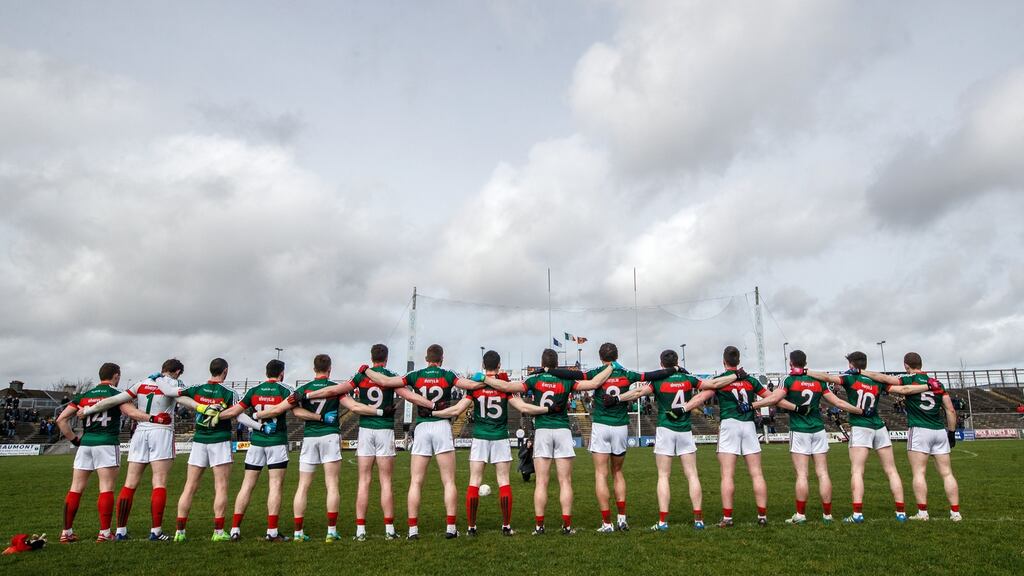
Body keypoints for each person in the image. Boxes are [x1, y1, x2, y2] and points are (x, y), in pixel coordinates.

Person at [360, 344, 488, 539]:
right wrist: (484, 379)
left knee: (416, 481)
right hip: (442, 425)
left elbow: (385, 382)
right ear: (441, 359)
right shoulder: (447, 374)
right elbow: (470, 386)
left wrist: (366, 370)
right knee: (448, 481)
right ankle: (451, 528)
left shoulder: (415, 374)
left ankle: (413, 530)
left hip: (421, 427)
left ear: (426, 358)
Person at [482, 349, 613, 535]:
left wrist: (484, 378)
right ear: (557, 363)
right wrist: (611, 367)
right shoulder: (567, 379)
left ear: (542, 363)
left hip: (543, 431)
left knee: (541, 482)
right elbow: (595, 383)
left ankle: (539, 526)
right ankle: (567, 526)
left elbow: (506, 387)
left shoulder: (534, 379)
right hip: (562, 430)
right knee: (565, 482)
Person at [614, 349, 739, 531]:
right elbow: (713, 384)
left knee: (663, 476)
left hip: (665, 428)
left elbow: (638, 393)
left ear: (661, 364)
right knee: (692, 475)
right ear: (677, 361)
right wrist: (736, 375)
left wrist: (618, 398)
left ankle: (663, 521)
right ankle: (698, 519)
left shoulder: (657, 380)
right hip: (684, 429)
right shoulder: (689, 379)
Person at [428, 350, 550, 536]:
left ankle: (471, 527)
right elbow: (523, 407)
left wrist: (434, 413)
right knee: (503, 481)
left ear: (483, 365)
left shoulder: (475, 387)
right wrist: (545, 409)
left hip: (480, 437)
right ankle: (506, 527)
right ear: (499, 365)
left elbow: (456, 410)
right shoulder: (504, 386)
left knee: (474, 481)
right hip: (500, 437)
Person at [76, 359, 193, 541]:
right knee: (159, 482)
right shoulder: (174, 383)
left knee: (130, 483)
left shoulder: (142, 383)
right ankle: (156, 531)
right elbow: (185, 400)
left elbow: (114, 400)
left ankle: (121, 530)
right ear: (177, 371)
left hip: (140, 431)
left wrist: (88, 409)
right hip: (161, 431)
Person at [806, 351, 929, 523]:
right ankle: (901, 512)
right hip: (879, 426)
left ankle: (857, 514)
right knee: (891, 470)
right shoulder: (876, 380)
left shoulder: (850, 378)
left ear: (851, 364)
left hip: (861, 426)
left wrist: (807, 371)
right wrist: (928, 385)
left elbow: (827, 378)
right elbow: (902, 389)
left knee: (857, 471)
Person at [579, 343, 685, 532]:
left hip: (601, 425)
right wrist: (674, 369)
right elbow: (651, 375)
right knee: (618, 472)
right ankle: (621, 519)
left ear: (600, 357)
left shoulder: (596, 372)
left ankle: (606, 523)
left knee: (601, 474)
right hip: (620, 426)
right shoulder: (627, 374)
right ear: (617, 355)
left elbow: (572, 377)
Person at [753, 350, 864, 525]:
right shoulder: (818, 380)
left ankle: (801, 515)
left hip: (799, 430)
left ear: (791, 363)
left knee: (802, 475)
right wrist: (860, 411)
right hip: (818, 429)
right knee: (823, 473)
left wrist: (754, 405)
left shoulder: (788, 379)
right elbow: (838, 402)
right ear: (805, 363)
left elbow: (774, 398)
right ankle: (827, 515)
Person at [56, 363, 154, 543]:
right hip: (107, 444)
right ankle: (104, 532)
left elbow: (61, 420)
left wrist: (75, 440)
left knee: (75, 488)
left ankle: (66, 532)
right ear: (116, 376)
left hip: (86, 444)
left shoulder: (84, 396)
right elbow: (131, 413)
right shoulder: (116, 394)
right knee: (106, 488)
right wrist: (153, 418)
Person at [861, 353, 961, 522]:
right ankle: (955, 512)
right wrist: (951, 432)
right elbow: (950, 410)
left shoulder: (908, 379)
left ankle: (922, 512)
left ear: (906, 365)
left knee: (919, 472)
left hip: (920, 430)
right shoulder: (937, 383)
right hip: (939, 430)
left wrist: (862, 372)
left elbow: (884, 378)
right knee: (947, 473)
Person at [173, 358, 258, 542]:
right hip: (219, 441)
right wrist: (258, 426)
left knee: (189, 487)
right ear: (225, 371)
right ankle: (218, 532)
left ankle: (180, 532)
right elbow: (239, 415)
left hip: (199, 440)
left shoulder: (197, 388)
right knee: (221, 487)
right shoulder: (228, 392)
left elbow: (176, 395)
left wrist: (197, 406)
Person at [213, 359, 294, 541]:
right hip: (276, 442)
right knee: (275, 486)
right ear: (282, 373)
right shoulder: (285, 389)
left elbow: (236, 412)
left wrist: (216, 415)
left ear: (266, 372)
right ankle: (272, 531)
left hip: (256, 443)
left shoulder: (253, 391)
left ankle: (234, 529)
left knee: (247, 485)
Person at [699, 346, 772, 527]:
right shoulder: (750, 380)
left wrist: (685, 407)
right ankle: (762, 516)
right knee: (757, 474)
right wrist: (753, 405)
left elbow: (702, 396)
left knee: (727, 475)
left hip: (729, 425)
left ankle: (728, 518)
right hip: (748, 425)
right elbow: (771, 397)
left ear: (724, 362)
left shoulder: (720, 380)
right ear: (738, 361)